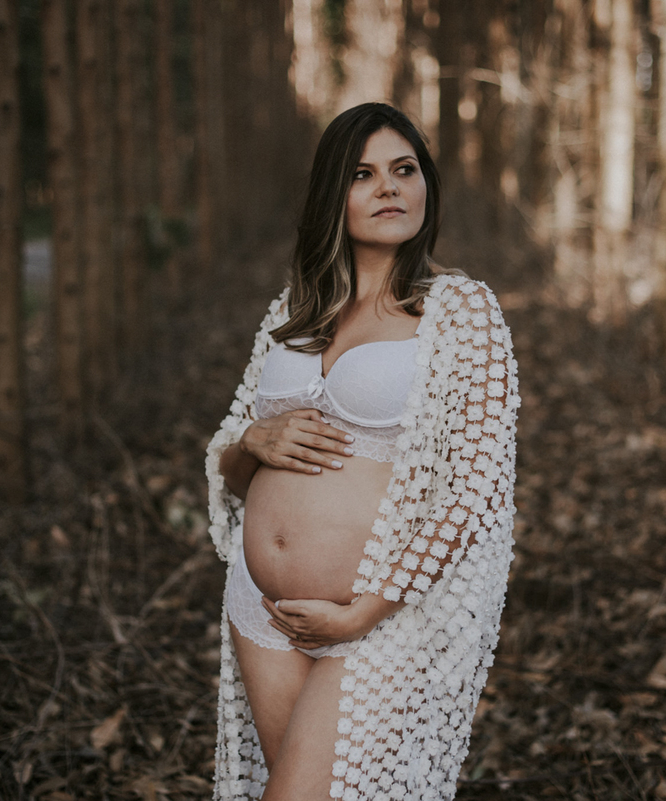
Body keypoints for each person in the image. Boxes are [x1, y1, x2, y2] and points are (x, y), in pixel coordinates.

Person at [205, 103, 518, 801]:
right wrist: (253, 440)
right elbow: (229, 461)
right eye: (363, 174)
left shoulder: (460, 311)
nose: (388, 188)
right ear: (332, 197)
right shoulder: (296, 309)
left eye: (404, 170)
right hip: (262, 607)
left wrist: (367, 609)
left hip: (382, 612)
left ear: (425, 185)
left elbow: (476, 489)